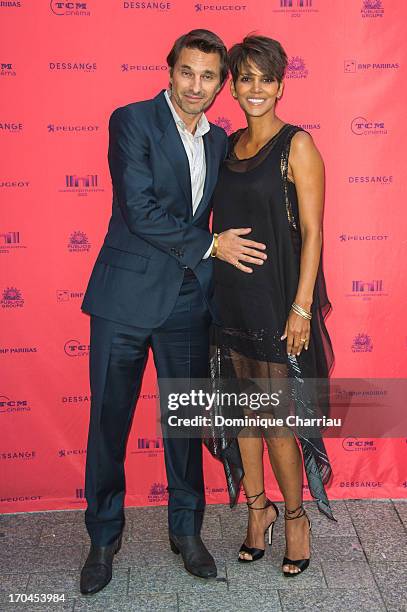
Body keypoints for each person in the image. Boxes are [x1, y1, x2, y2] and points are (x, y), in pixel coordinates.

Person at [79, 29, 267, 595]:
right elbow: (137, 209)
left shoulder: (219, 141)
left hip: (188, 300)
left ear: (221, 84)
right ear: (170, 70)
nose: (196, 86)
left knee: (183, 424)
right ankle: (103, 537)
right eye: (187, 72)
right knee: (110, 423)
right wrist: (213, 246)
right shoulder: (132, 120)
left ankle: (186, 531)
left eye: (209, 76)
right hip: (124, 299)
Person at [205, 34, 336, 577]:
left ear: (282, 84)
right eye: (245, 78)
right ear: (232, 86)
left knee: (277, 418)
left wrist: (301, 308)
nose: (255, 88)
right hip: (227, 299)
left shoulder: (296, 145)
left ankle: (296, 517)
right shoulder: (225, 145)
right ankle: (257, 514)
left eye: (266, 78)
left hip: (278, 302)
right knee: (243, 415)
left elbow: (312, 231)